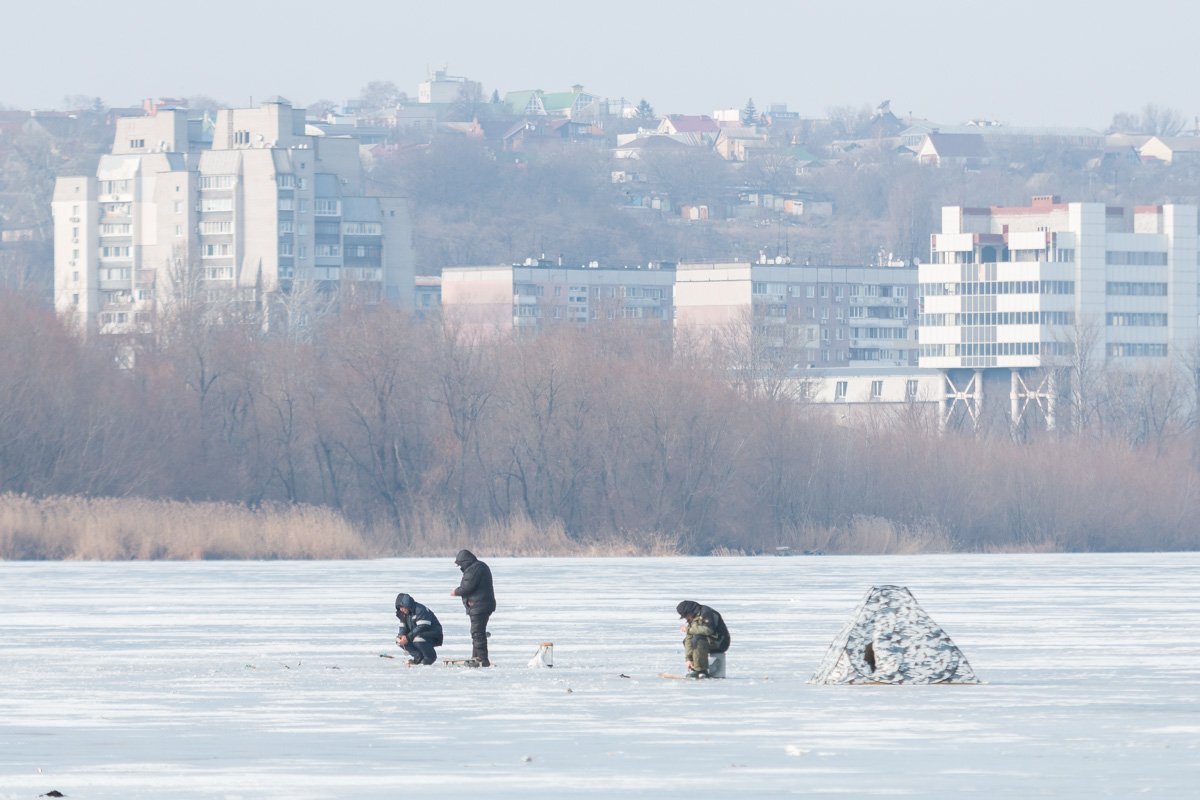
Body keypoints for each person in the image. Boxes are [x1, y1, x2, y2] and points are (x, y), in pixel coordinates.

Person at [451, 549, 496, 667]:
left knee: (477, 632)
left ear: (465, 561)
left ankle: (482, 659)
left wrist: (456, 591)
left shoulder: (473, 569)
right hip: (482, 604)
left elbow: (467, 587)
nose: (460, 567)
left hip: (479, 605)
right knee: (477, 632)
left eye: (460, 564)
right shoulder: (479, 566)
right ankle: (476, 657)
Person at [676, 600, 730, 679]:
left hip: (720, 642)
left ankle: (701, 670)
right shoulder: (693, 617)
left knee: (698, 639)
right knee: (688, 640)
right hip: (708, 641)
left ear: (690, 611)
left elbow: (708, 630)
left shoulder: (706, 612)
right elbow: (689, 638)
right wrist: (689, 659)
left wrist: (688, 629)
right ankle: (696, 668)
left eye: (685, 615)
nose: (686, 618)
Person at [394, 593, 443, 665]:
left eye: (402, 607)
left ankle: (430, 657)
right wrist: (402, 636)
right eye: (399, 608)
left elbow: (423, 626)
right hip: (415, 635)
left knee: (418, 639)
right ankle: (418, 657)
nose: (401, 609)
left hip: (432, 634)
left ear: (407, 604)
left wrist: (408, 637)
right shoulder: (404, 614)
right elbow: (403, 628)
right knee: (399, 640)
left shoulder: (420, 609)